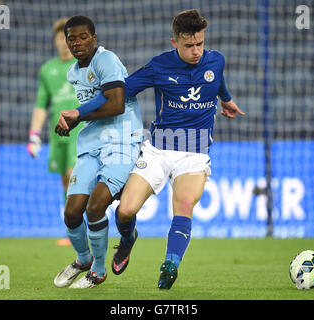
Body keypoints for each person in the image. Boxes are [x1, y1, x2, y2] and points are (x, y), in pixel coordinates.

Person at [111, 9, 244, 289]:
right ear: (175, 43)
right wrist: (86, 109)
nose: (196, 51)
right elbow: (123, 91)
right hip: (158, 150)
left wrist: (226, 100)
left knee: (184, 204)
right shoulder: (159, 66)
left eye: (200, 44)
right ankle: (127, 239)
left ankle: (170, 265)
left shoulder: (216, 60)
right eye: (189, 45)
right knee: (125, 211)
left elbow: (216, 78)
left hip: (194, 153)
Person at [53, 15, 143, 289]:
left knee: (95, 207)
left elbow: (115, 105)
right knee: (71, 212)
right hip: (91, 144)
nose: (77, 43)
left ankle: (99, 272)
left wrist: (77, 116)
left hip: (120, 141)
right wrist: (70, 121)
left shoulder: (106, 60)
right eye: (72, 38)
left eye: (83, 37)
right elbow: (93, 106)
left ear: (94, 37)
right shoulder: (72, 72)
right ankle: (83, 260)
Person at [27, 18, 79, 246]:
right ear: (55, 40)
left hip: (81, 132)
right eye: (61, 37)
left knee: (75, 175)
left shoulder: (83, 65)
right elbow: (41, 104)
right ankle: (73, 231)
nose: (64, 42)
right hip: (58, 134)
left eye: (68, 38)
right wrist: (34, 134)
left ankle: (88, 227)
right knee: (65, 182)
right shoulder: (47, 70)